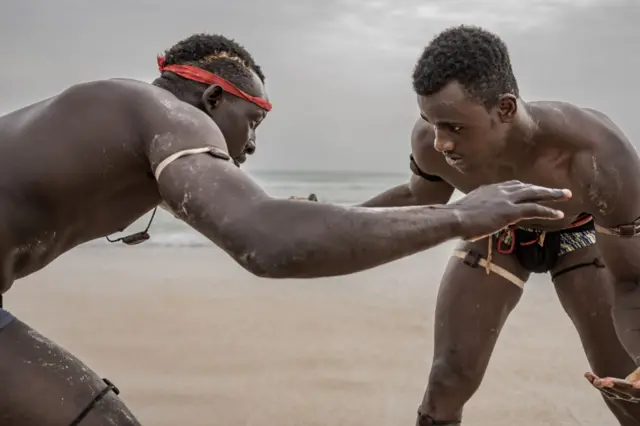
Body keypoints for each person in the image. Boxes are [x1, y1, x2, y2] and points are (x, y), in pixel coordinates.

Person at [0, 33, 570, 425]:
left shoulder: (125, 133)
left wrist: (308, 212)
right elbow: (266, 240)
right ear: (213, 98)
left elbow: (278, 221)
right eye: (253, 122)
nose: (251, 145)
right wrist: (462, 216)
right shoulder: (168, 115)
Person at [358, 25, 640, 425]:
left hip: (577, 233)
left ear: (505, 109)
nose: (439, 142)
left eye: (454, 127)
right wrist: (331, 217)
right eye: (429, 120)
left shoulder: (596, 155)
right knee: (445, 383)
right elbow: (419, 198)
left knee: (625, 385)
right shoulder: (431, 142)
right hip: (497, 231)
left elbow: (632, 279)